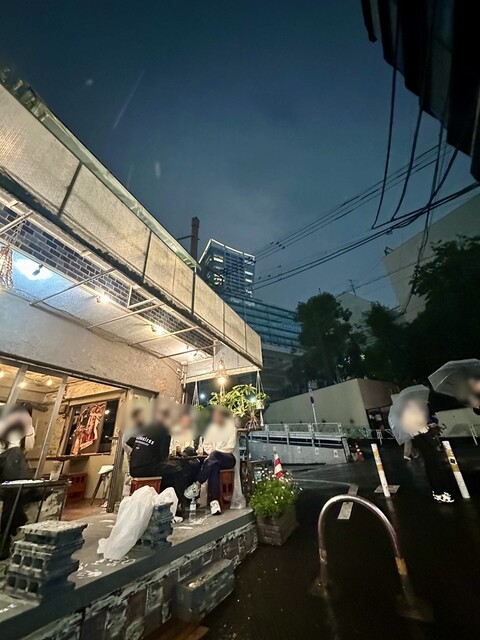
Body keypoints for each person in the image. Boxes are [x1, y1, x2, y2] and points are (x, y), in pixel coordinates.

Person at [129, 401, 186, 506]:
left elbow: (129, 442)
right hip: (146, 468)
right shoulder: (164, 432)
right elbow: (163, 457)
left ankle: (167, 501)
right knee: (178, 469)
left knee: (169, 469)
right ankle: (178, 504)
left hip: (133, 468)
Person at [184, 407, 236, 515]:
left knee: (215, 457)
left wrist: (214, 454)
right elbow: (206, 444)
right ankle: (214, 502)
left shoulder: (232, 429)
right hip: (214, 460)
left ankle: (197, 484)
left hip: (228, 458)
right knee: (214, 468)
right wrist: (213, 454)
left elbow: (230, 447)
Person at [400, 399, 454, 503]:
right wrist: (426, 429)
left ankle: (438, 492)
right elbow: (427, 435)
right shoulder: (416, 420)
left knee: (431, 468)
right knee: (434, 469)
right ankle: (439, 493)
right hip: (427, 445)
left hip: (423, 445)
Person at [0, 404, 36, 559]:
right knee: (15, 454)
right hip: (6, 470)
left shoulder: (19, 430)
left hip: (10, 475)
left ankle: (4, 537)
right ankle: (29, 489)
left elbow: (29, 447)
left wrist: (29, 428)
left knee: (14, 493)